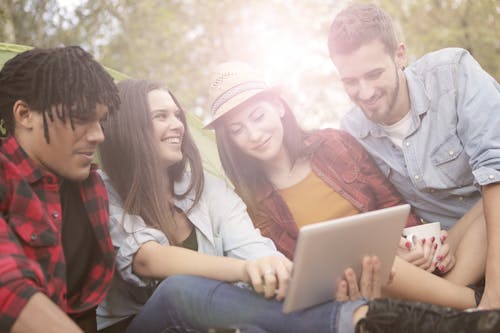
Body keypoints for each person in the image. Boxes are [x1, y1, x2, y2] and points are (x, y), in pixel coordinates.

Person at [96, 78, 499, 333]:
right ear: (131, 125)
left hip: (394, 265)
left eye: (176, 115)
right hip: (149, 318)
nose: (177, 125)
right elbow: (148, 261)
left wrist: (413, 241)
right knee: (179, 290)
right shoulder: (104, 187)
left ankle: (471, 308)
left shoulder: (205, 188)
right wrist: (252, 270)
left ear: (280, 108)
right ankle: (461, 312)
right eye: (161, 116)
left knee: (490, 196)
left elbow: (259, 251)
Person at [208, 60, 484, 309]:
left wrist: (419, 244)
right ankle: (475, 303)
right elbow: (305, 275)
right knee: (366, 260)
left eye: (258, 117)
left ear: (279, 107)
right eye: (237, 130)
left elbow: (393, 205)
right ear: (229, 140)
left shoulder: (333, 143)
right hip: (364, 287)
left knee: (489, 204)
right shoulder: (253, 205)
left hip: (407, 260)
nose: (254, 134)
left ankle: (451, 303)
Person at [328, 2, 500, 309]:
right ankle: (455, 302)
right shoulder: (352, 131)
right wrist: (406, 247)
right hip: (448, 246)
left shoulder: (452, 73)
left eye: (374, 74)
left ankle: (462, 305)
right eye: (350, 82)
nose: (364, 93)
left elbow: (495, 171)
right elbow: (379, 210)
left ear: (400, 55)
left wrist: (493, 296)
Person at [0, 46, 119, 333]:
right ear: (25, 114)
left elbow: (81, 308)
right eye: (80, 117)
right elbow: (8, 288)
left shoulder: (92, 189)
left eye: (100, 120)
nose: (98, 135)